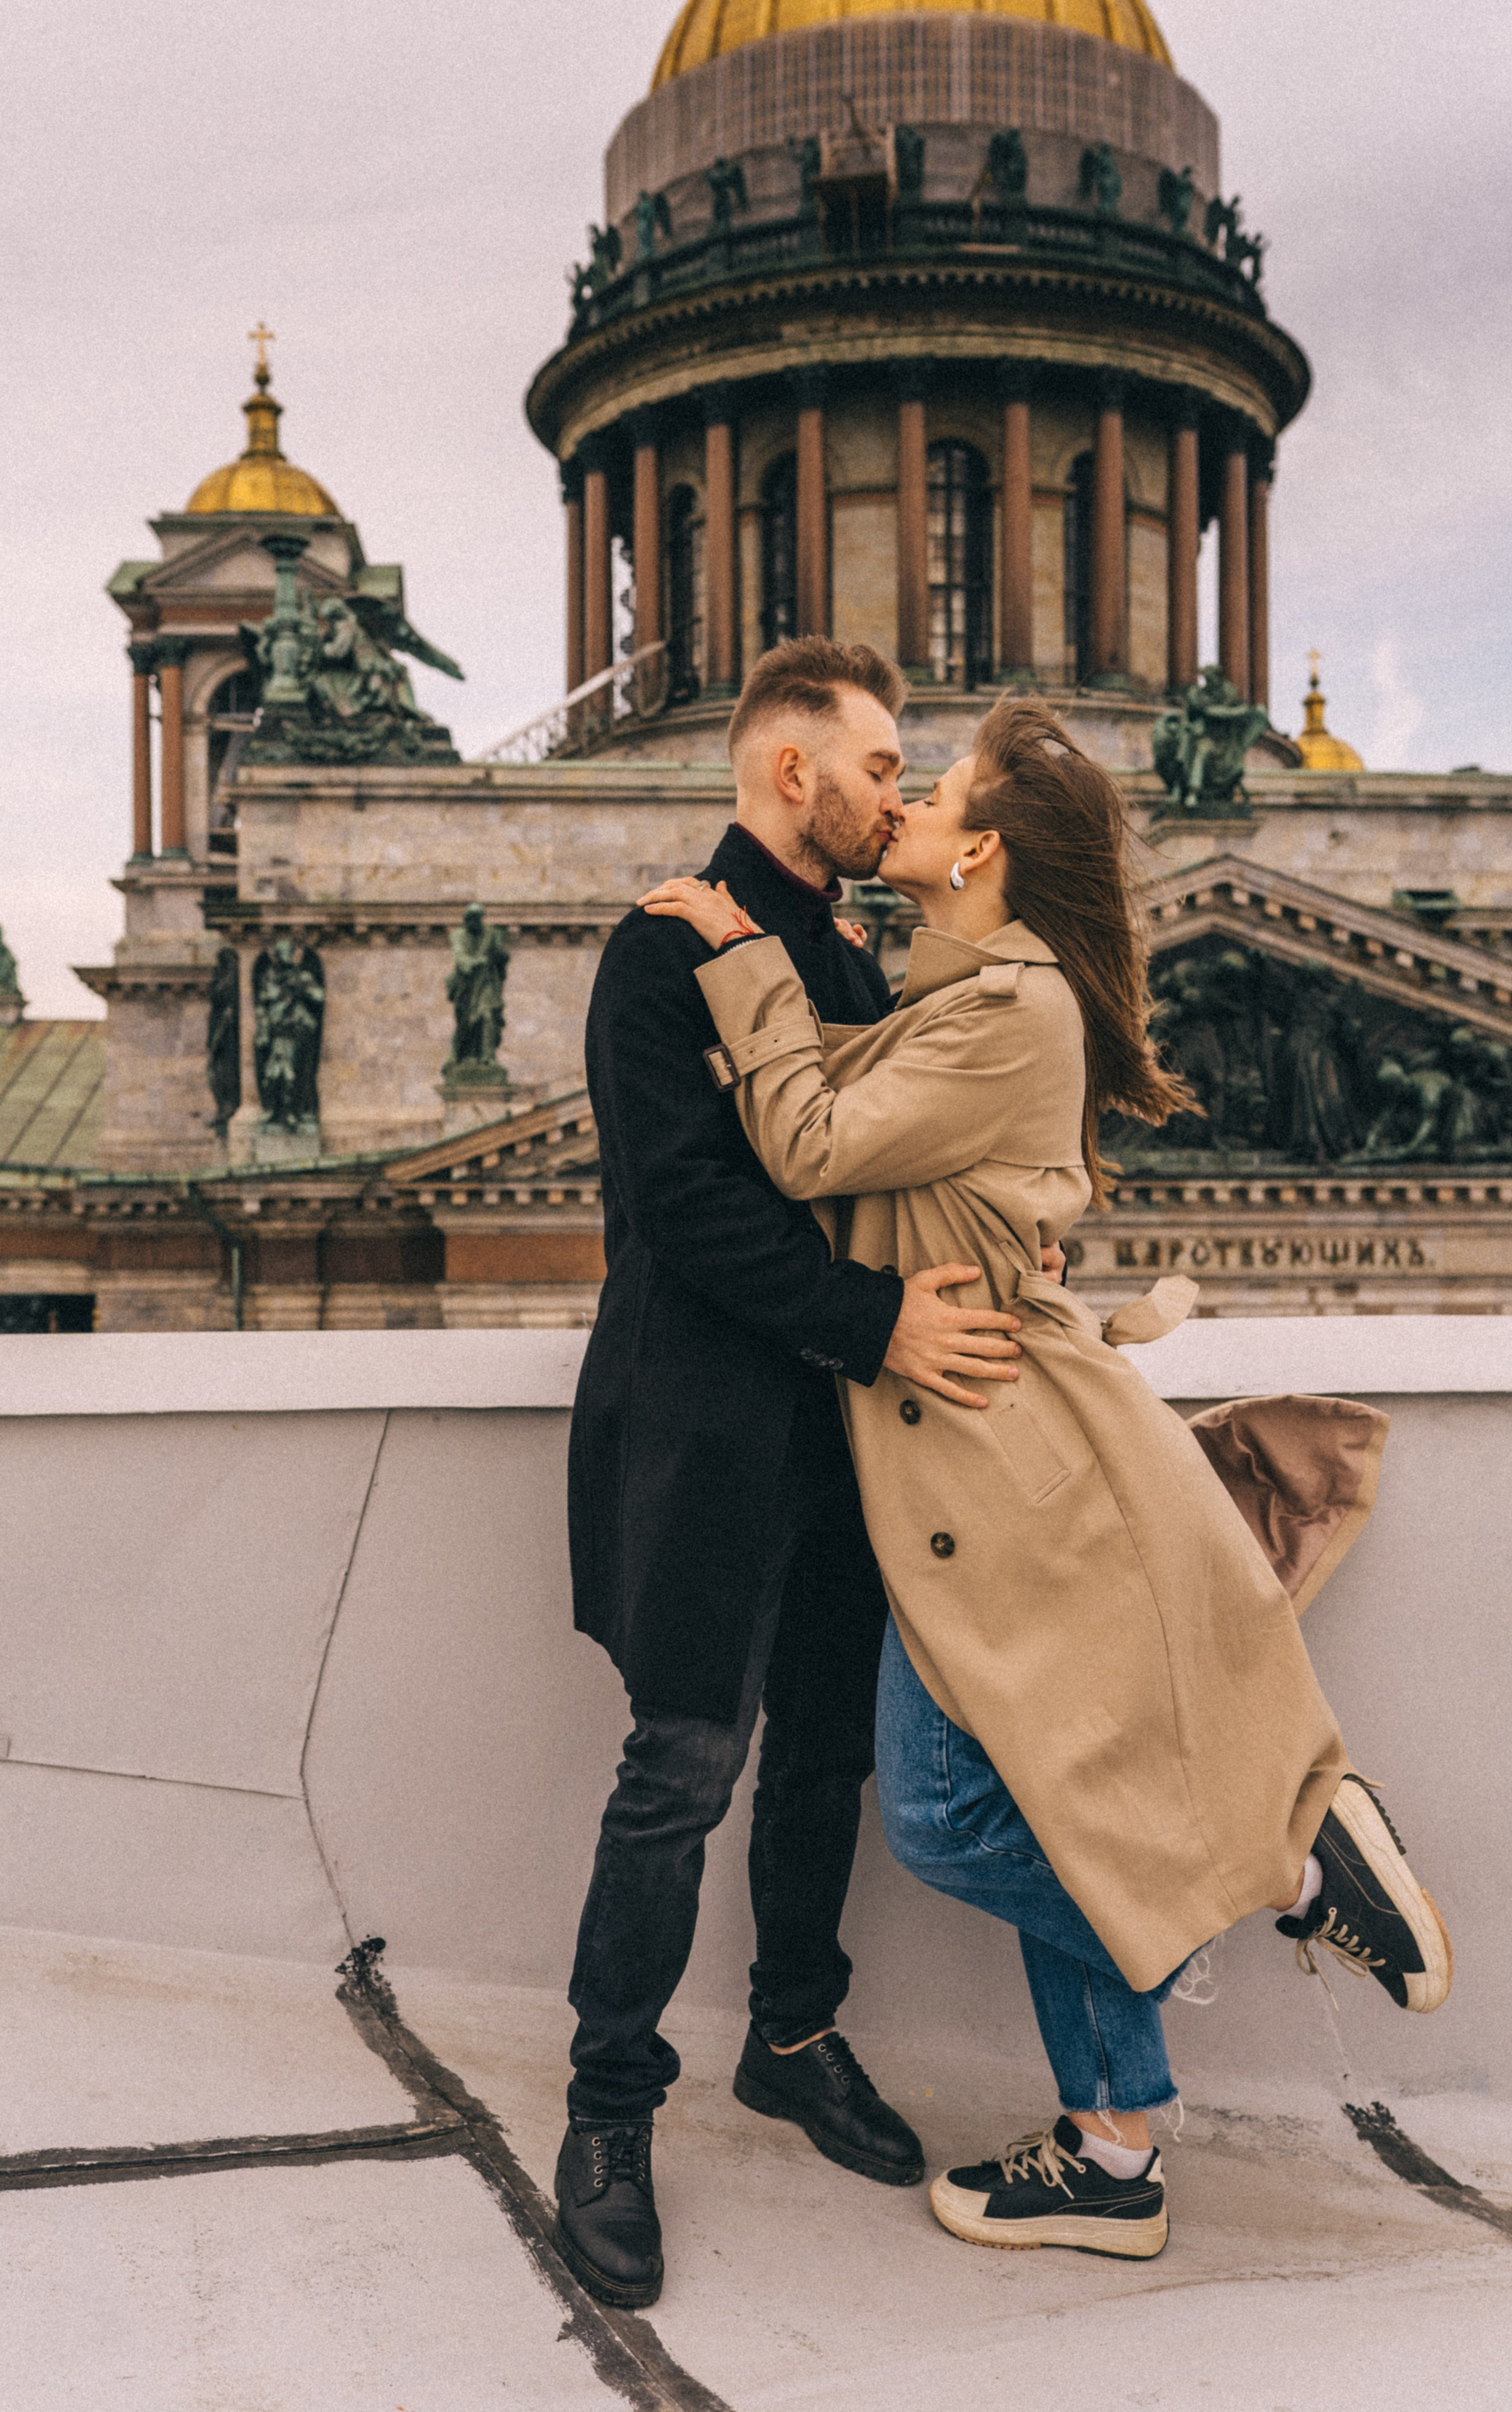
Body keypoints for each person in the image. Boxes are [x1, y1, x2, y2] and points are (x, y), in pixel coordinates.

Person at [644, 695, 1452, 2263]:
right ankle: (1114, 2149)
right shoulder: (961, 988)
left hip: (1000, 1471)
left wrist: (734, 954)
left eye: (926, 791)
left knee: (951, 1825)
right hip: (966, 1457)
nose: (902, 812)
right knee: (1049, 1802)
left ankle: (1285, 1874)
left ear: (981, 849)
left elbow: (810, 1148)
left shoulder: (1004, 1003)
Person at [557, 640, 1067, 2310]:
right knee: (681, 1773)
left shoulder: (852, 955)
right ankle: (609, 2110)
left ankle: (792, 2039)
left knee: (824, 1765)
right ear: (794, 774)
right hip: (710, 1438)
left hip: (846, 1446)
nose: (895, 797)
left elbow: (895, 1166)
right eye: (877, 769)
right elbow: (693, 1218)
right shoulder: (660, 951)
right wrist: (877, 1326)